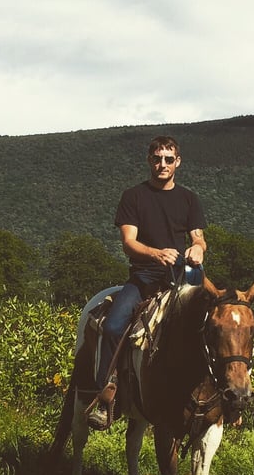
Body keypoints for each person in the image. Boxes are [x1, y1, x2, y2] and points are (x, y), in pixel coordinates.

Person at [88, 136, 207, 430]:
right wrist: (156, 253)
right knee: (114, 326)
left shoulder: (189, 199)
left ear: (177, 162)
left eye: (169, 159)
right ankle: (106, 395)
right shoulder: (134, 197)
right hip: (144, 278)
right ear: (149, 160)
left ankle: (221, 397)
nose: (162, 164)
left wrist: (198, 249)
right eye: (157, 158)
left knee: (216, 326)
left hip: (181, 278)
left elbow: (198, 237)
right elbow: (128, 243)